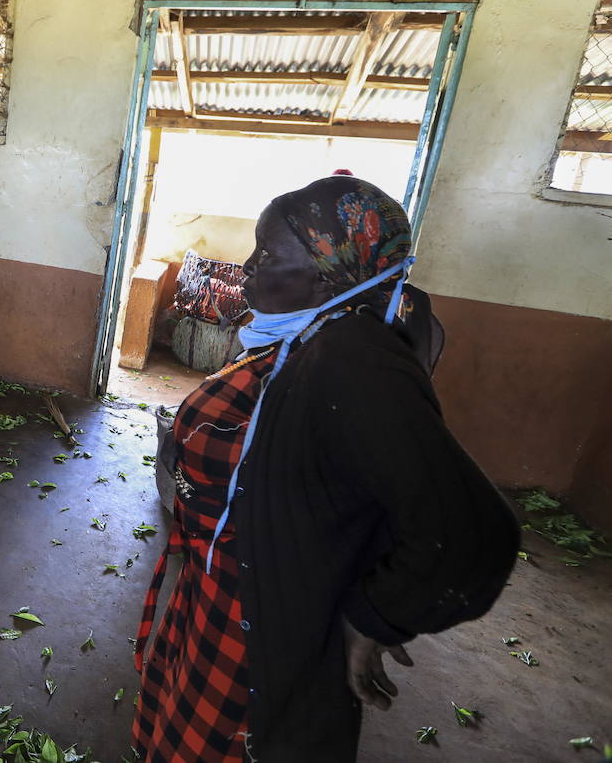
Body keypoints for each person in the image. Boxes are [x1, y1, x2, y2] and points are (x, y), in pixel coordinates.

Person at [132, 176, 519, 762]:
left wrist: (376, 618)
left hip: (264, 629)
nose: (247, 265)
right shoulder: (300, 335)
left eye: (268, 253)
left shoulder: (353, 361)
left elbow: (469, 534)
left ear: (328, 271)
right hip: (219, 597)